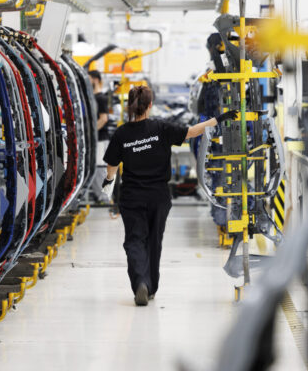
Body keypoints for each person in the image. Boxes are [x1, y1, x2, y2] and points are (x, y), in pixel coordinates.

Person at [102, 85, 237, 306]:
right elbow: (193, 131)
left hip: (132, 196)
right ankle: (151, 286)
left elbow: (112, 165)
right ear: (150, 105)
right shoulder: (161, 128)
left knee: (135, 240)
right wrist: (219, 119)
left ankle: (140, 283)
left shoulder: (122, 133)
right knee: (154, 241)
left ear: (130, 106)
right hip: (158, 196)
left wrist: (109, 182)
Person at [89, 70, 113, 203]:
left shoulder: (101, 98)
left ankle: (105, 197)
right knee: (95, 167)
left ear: (96, 80)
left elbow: (103, 119)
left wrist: (91, 133)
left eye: (89, 79)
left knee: (100, 168)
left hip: (101, 139)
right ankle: (100, 197)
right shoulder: (92, 97)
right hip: (95, 139)